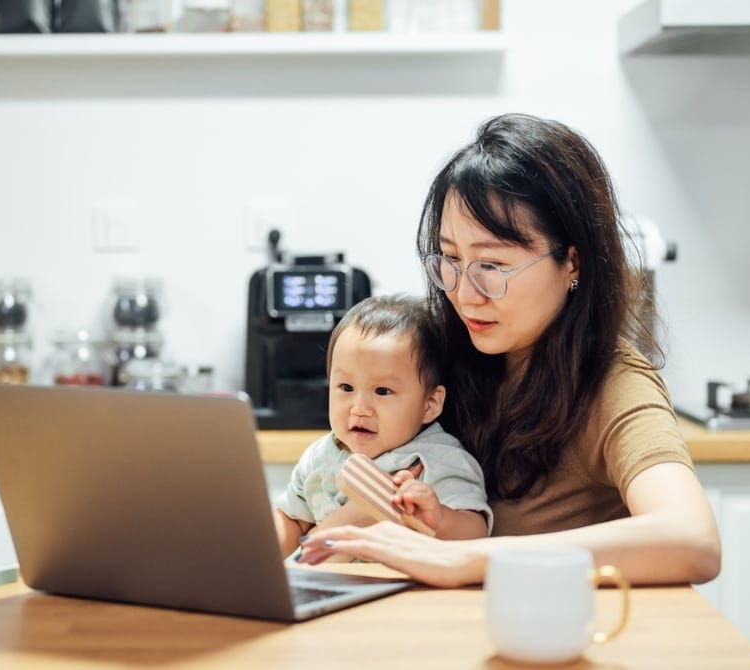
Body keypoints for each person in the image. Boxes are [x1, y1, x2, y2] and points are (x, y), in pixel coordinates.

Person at [296, 113, 722, 587]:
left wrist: (468, 559)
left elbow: (694, 540)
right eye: (451, 260)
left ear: (571, 262)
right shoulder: (445, 351)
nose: (464, 294)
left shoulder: (611, 381)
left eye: (493, 265)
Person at [273, 294, 492, 558]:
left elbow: (476, 532)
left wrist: (441, 520)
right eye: (346, 387)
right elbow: (293, 520)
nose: (360, 408)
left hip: (402, 590)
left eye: (382, 391)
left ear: (430, 404)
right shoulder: (320, 455)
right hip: (327, 586)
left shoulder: (439, 459)